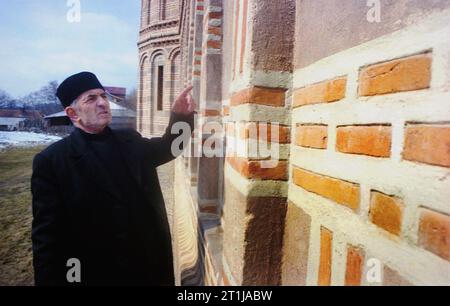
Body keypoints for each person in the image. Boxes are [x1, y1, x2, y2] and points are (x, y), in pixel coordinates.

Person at [31, 72, 196, 286]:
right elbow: (48, 239)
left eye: (103, 96)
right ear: (73, 113)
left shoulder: (130, 140)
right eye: (91, 99)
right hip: (99, 273)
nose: (102, 103)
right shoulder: (52, 161)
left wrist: (181, 118)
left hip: (148, 267)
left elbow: (170, 148)